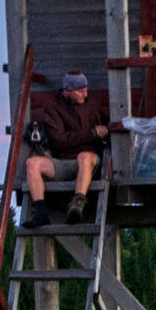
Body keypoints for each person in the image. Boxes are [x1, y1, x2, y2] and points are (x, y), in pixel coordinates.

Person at [24, 71, 109, 226]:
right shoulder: (53, 110)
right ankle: (40, 211)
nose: (85, 94)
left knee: (84, 156)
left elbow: (108, 126)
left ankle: (77, 204)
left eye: (86, 89)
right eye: (80, 91)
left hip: (89, 163)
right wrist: (92, 132)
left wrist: (104, 133)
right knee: (32, 163)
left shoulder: (93, 105)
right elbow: (60, 140)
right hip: (63, 161)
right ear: (67, 91)